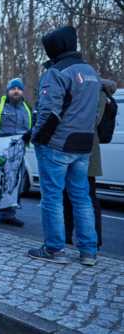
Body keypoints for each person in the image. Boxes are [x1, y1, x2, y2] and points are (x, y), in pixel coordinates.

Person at [27, 26, 100, 266]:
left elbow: (49, 113)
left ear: (53, 48)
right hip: (83, 144)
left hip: (57, 145)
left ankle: (54, 249)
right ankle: (88, 251)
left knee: (52, 198)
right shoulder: (91, 72)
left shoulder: (57, 73)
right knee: (82, 197)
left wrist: (36, 137)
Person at [63, 79, 117, 249]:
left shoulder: (94, 93)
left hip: (83, 149)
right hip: (90, 149)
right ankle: (89, 238)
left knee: (79, 197)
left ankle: (79, 238)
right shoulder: (101, 94)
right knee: (87, 196)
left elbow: (87, 121)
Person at [0, 77, 32, 228]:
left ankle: (8, 214)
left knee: (14, 183)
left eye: (19, 89)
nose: (16, 91)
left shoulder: (26, 108)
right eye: (13, 88)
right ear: (8, 90)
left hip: (18, 153)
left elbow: (31, 128)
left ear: (22, 91)